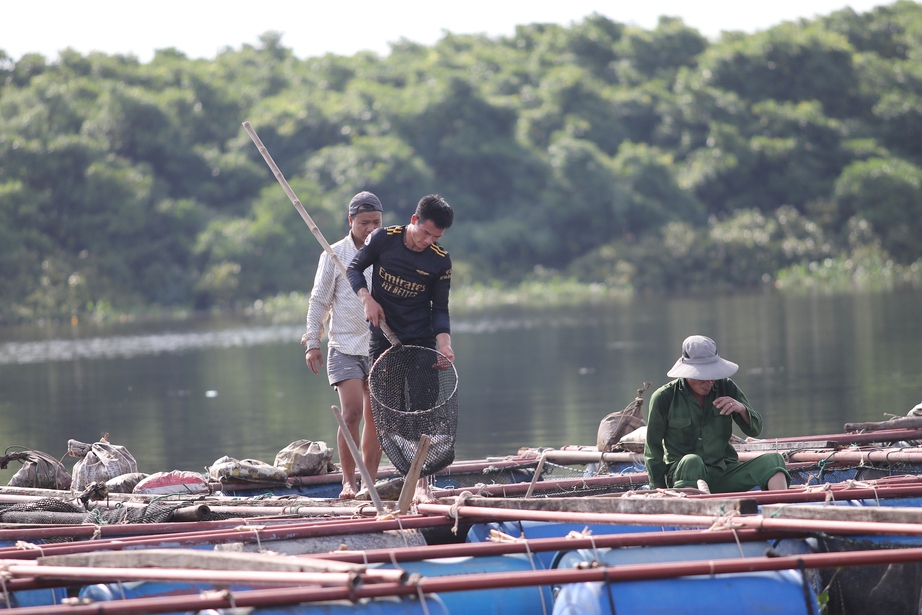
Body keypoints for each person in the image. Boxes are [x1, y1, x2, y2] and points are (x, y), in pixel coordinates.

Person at [346, 194, 454, 503]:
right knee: (388, 412)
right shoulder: (384, 239)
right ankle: (388, 478)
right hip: (384, 336)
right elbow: (354, 269)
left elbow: (441, 309)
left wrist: (444, 342)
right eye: (425, 233)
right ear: (414, 220)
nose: (428, 241)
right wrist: (367, 298)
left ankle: (423, 485)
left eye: (436, 237)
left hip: (421, 340)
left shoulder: (439, 260)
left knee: (425, 412)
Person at [301, 191, 384, 499]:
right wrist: (313, 342)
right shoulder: (333, 254)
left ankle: (368, 484)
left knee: (375, 416)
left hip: (378, 347)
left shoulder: (386, 251)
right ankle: (348, 482)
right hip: (344, 346)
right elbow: (319, 301)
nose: (371, 228)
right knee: (351, 412)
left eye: (376, 222)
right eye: (364, 223)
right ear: (351, 221)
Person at [644, 335, 790, 493]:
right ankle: (692, 510)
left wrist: (741, 409)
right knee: (692, 461)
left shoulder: (726, 386)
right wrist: (658, 490)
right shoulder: (664, 398)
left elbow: (754, 430)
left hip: (724, 472)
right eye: (702, 376)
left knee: (774, 460)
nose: (709, 381)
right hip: (685, 478)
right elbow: (653, 449)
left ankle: (779, 507)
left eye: (712, 375)